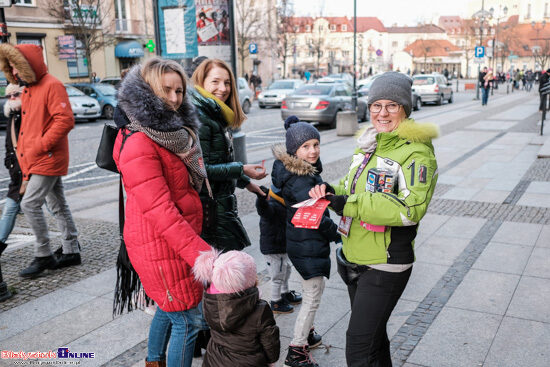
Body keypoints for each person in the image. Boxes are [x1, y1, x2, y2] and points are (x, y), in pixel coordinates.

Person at [309, 72, 438, 367]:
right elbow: (351, 187)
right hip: (355, 255)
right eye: (376, 105)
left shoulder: (416, 153)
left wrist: (348, 204)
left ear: (405, 108)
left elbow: (410, 208)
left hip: (385, 262)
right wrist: (331, 191)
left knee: (358, 349)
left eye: (392, 105)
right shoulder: (370, 143)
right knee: (374, 341)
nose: (382, 113)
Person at [113, 57, 212, 367]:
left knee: (170, 310)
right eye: (165, 90)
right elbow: (162, 211)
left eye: (180, 91)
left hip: (169, 243)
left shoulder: (171, 134)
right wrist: (202, 255)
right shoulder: (142, 141)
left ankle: (153, 360)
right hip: (159, 244)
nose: (174, 99)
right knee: (188, 320)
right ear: (147, 92)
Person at [0, 43, 81, 278]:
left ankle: (43, 254)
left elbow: (64, 120)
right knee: (57, 204)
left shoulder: (52, 85)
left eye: (17, 65)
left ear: (28, 64)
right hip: (37, 158)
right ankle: (71, 249)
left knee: (29, 204)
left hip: (47, 158)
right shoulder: (28, 90)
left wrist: (40, 146)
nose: (14, 71)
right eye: (11, 67)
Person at [272, 116, 340, 367]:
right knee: (312, 296)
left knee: (313, 290)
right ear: (294, 151)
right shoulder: (301, 179)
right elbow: (317, 217)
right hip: (307, 242)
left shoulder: (300, 172)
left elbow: (317, 197)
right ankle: (296, 349)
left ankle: (307, 333)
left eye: (316, 144)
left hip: (302, 242)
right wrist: (338, 233)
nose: (313, 151)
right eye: (306, 147)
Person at [190, 59, 267, 252]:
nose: (223, 88)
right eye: (215, 82)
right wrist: (242, 169)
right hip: (211, 209)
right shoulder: (202, 117)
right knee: (227, 272)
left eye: (227, 82)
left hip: (220, 205)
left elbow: (220, 160)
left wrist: (246, 183)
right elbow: (201, 169)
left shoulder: (215, 113)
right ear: (201, 82)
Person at [193, 249, 280, 367]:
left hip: (214, 359)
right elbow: (270, 342)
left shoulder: (210, 301)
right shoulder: (260, 309)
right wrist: (271, 360)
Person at [255, 183, 303, 314]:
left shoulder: (283, 205)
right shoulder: (273, 205)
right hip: (273, 248)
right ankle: (276, 302)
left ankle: (284, 293)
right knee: (277, 275)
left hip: (281, 245)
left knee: (285, 270)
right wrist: (261, 198)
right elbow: (263, 209)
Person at [0, 84, 25, 256]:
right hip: (17, 174)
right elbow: (9, 145)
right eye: (9, 96)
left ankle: (70, 244)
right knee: (10, 209)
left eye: (16, 94)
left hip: (30, 172)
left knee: (54, 207)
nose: (12, 98)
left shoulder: (25, 116)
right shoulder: (13, 116)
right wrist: (9, 162)